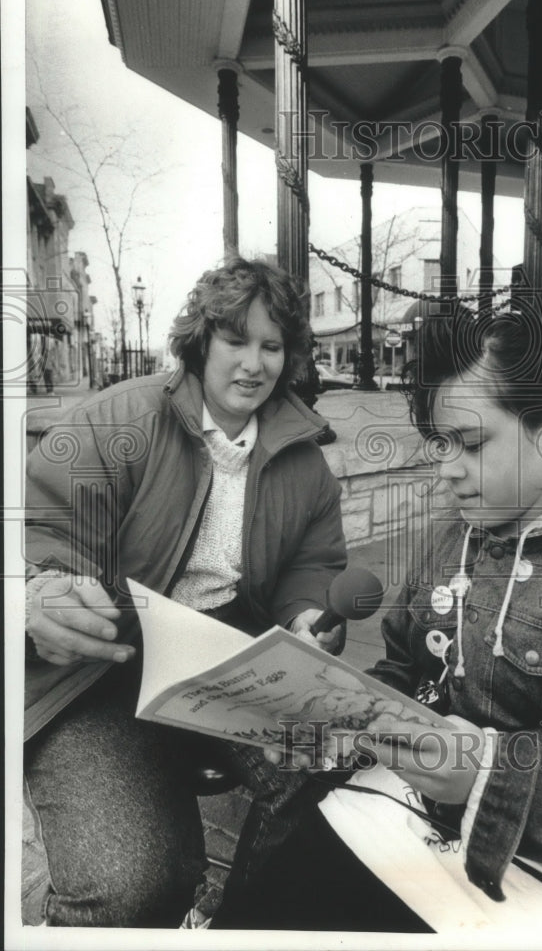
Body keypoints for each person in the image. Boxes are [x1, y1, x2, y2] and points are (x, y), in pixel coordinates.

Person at [209, 301, 542, 938]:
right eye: (439, 443)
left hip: (525, 885)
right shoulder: (450, 542)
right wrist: (335, 701)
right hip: (378, 820)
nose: (447, 469)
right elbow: (402, 670)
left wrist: (486, 773)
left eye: (471, 443)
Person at [23, 257, 347, 927]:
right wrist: (40, 592)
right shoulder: (118, 420)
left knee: (330, 768)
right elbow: (40, 533)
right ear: (202, 340)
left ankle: (238, 922)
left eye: (271, 345)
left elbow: (310, 568)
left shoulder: (304, 460)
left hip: (225, 658)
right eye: (235, 339)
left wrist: (310, 615)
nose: (252, 364)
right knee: (131, 886)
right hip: (97, 671)